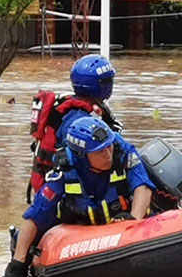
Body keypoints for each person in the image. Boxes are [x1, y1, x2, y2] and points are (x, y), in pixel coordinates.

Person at [2, 116, 155, 277]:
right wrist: (18, 263)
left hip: (123, 222)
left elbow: (142, 185)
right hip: (80, 228)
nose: (108, 155)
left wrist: (133, 220)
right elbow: (35, 214)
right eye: (99, 151)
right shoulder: (64, 170)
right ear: (82, 156)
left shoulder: (124, 151)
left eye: (108, 146)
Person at [28, 54, 123, 199]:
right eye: (108, 81)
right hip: (64, 187)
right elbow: (76, 158)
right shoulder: (77, 118)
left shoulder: (77, 107)